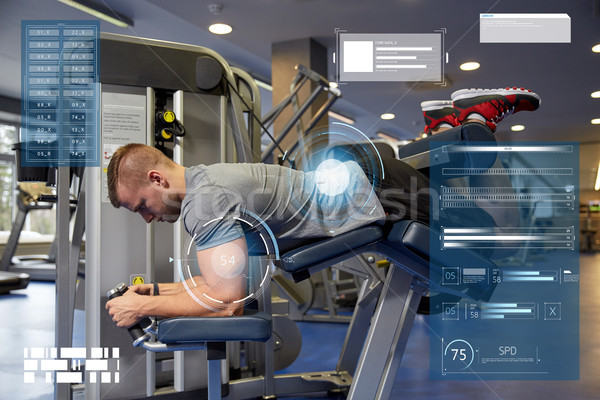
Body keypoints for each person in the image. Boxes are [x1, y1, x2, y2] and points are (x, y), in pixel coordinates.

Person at [106, 87, 540, 328]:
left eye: (140, 205)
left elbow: (226, 301)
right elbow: (219, 280)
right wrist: (158, 293)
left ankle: (476, 116)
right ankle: (442, 123)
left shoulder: (205, 203)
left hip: (380, 194)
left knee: (497, 236)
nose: (146, 218)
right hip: (371, 186)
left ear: (157, 180)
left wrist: (140, 308)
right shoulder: (205, 184)